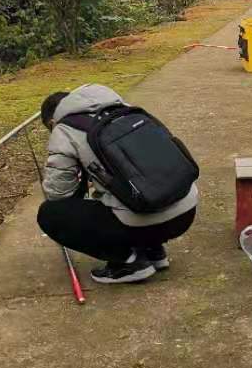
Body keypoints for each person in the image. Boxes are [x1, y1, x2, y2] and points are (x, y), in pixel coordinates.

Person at [35, 84, 198, 285]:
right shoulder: (123, 108)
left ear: (52, 121)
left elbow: (59, 195)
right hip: (186, 212)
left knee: (50, 214)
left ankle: (129, 262)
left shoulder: (64, 130)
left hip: (144, 221)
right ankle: (153, 250)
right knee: (135, 186)